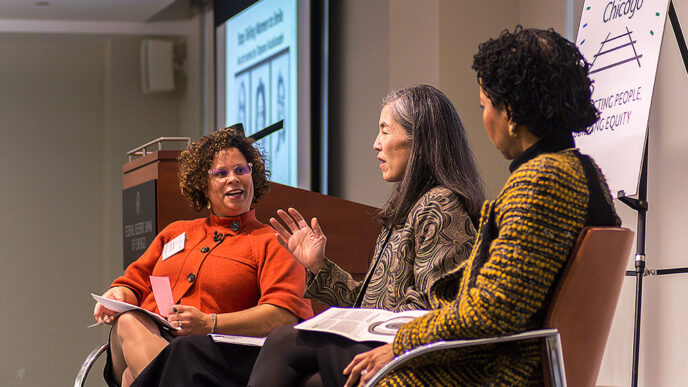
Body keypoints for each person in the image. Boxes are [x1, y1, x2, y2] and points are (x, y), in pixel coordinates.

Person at [339, 27, 622, 386]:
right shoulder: (586, 174)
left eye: (485, 107)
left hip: (500, 372)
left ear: (512, 113)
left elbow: (491, 310)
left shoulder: (541, 182)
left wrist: (403, 343)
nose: (485, 119)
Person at [246, 84, 486, 387]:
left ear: (420, 141)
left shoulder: (440, 204)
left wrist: (366, 325)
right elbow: (368, 304)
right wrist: (319, 266)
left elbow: (435, 308)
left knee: (283, 339)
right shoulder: (408, 206)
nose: (376, 143)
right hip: (378, 341)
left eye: (385, 131)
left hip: (406, 354)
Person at [92, 128, 313, 387]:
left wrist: (210, 323)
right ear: (203, 186)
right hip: (157, 341)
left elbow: (282, 316)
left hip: (218, 357)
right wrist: (117, 295)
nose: (234, 179)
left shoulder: (272, 241)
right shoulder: (175, 232)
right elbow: (134, 283)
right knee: (126, 322)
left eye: (241, 170)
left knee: (134, 375)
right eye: (221, 173)